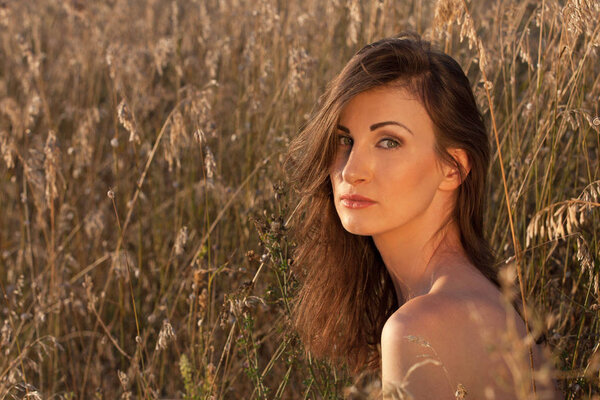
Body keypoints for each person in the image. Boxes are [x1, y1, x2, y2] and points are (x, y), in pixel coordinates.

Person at [284, 32, 561, 399]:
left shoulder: (421, 327)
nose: (351, 171)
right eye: (344, 140)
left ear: (452, 169)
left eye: (388, 142)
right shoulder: (469, 298)